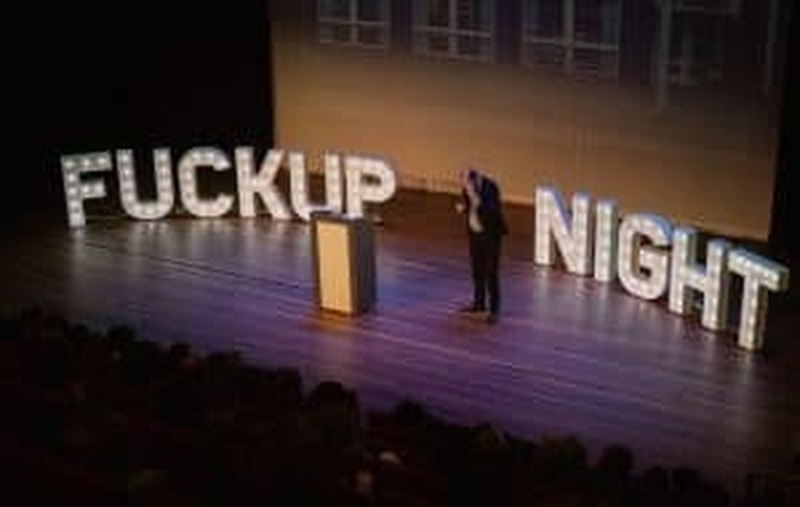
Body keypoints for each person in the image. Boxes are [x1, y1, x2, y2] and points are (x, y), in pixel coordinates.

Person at [456, 168, 507, 323]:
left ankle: (494, 310)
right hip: (475, 235)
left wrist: (477, 200)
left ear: (475, 180)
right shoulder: (467, 187)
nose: (465, 187)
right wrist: (463, 207)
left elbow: (492, 210)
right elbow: (466, 204)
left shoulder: (491, 187)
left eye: (467, 183)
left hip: (490, 235)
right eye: (464, 184)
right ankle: (479, 304)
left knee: (491, 272)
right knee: (477, 271)